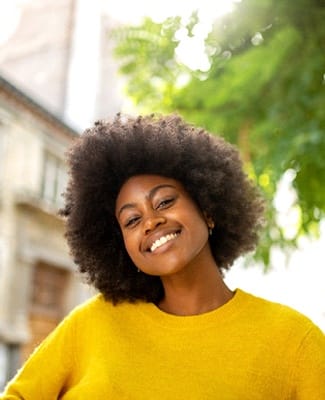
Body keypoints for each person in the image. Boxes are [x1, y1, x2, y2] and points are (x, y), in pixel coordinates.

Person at [1, 114, 324, 399]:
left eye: (165, 202)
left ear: (208, 210)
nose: (151, 221)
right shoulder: (92, 324)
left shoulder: (294, 341)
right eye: (131, 220)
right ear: (121, 246)